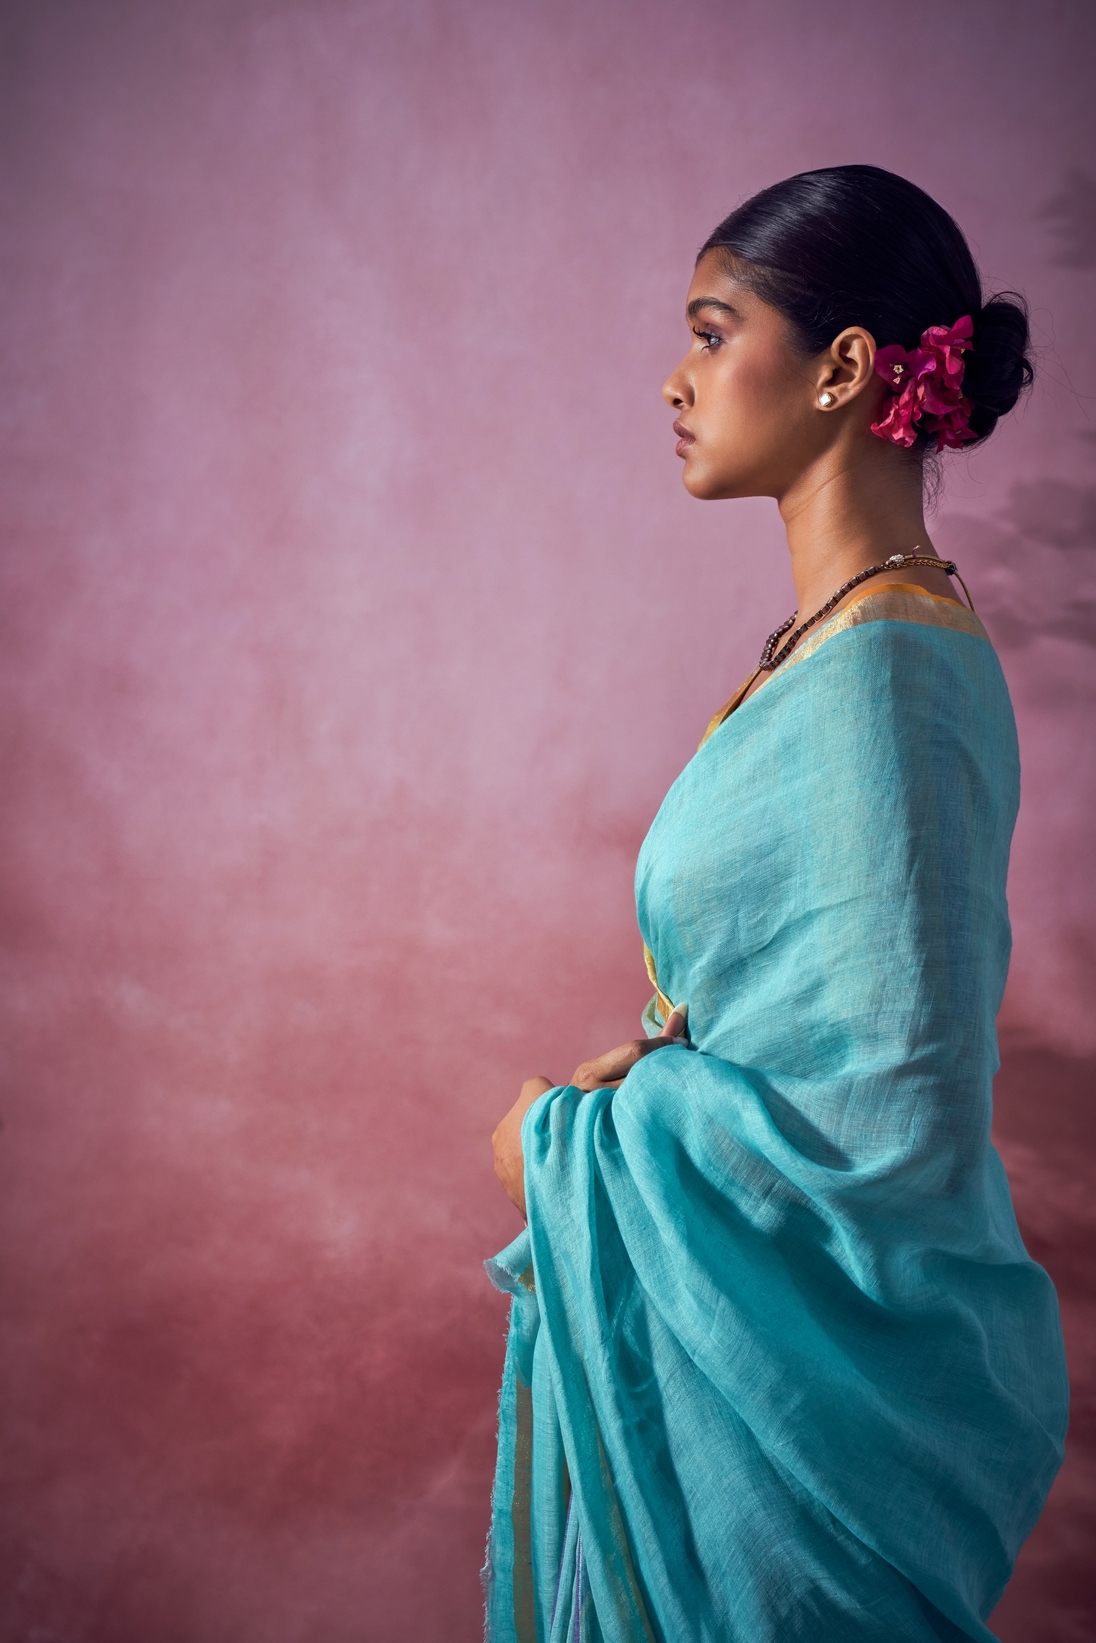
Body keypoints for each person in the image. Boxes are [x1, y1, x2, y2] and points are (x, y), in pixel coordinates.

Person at [484, 165, 1068, 1643]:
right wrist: (646, 1090)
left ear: (844, 369)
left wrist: (566, 1149)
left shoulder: (889, 681)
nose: (674, 380)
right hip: (752, 1373)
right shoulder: (841, 647)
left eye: (710, 331)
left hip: (821, 1430)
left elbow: (886, 1123)